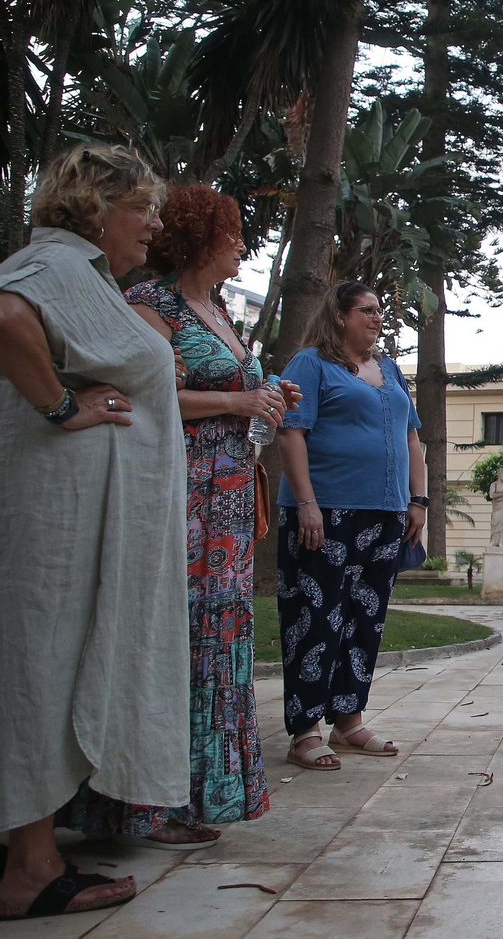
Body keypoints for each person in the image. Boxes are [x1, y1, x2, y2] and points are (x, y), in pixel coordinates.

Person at [55, 184, 300, 852]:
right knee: (168, 637)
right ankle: (137, 805)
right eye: (234, 233)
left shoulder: (216, 310)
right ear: (202, 237)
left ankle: (198, 792)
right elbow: (141, 394)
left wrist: (265, 396)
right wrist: (242, 403)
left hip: (225, 499)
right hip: (177, 492)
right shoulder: (151, 305)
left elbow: (230, 393)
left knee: (216, 640)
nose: (243, 245)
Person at [0, 144, 185, 919]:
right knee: (40, 669)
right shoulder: (52, 269)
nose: (153, 222)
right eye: (141, 206)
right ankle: (31, 870)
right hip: (58, 523)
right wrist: (61, 409)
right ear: (94, 206)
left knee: (54, 665)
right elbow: (6, 317)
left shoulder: (86, 274)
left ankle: (30, 854)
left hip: (84, 520)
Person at [276, 282, 426, 769]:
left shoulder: (390, 370)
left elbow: (412, 437)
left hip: (386, 513)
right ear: (340, 316)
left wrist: (418, 500)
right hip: (326, 512)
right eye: (367, 309)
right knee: (315, 619)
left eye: (379, 310)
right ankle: (305, 731)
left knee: (365, 620)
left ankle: (349, 723)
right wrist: (307, 503)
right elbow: (291, 431)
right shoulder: (311, 363)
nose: (377, 317)